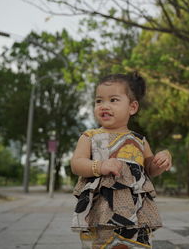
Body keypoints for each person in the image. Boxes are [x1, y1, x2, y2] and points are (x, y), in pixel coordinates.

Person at [70, 72, 172, 249]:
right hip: (100, 211)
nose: (104, 106)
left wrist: (160, 160)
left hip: (136, 213)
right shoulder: (90, 137)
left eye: (113, 100)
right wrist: (100, 166)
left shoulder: (140, 141)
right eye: (99, 101)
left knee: (135, 244)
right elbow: (76, 164)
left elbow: (149, 169)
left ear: (132, 107)